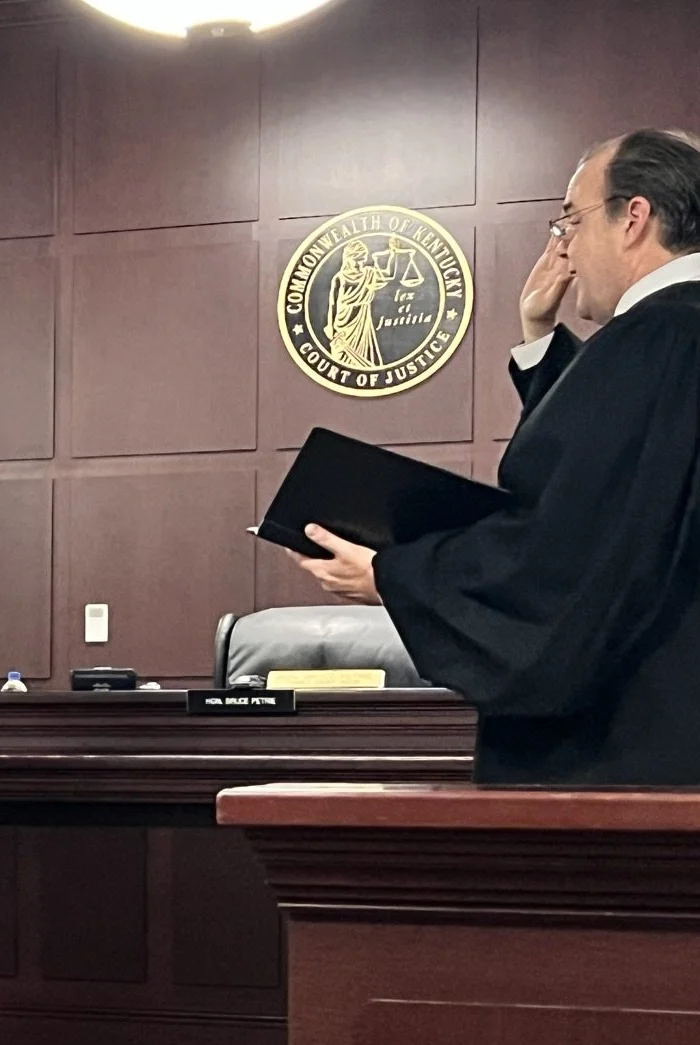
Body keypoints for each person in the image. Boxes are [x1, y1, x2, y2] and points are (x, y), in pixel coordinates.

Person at [296, 128, 700, 785]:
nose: (562, 243)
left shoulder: (654, 339)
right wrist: (540, 338)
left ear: (633, 218)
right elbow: (632, 485)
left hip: (633, 758)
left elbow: (565, 553)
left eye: (570, 219)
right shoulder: (668, 344)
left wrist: (395, 575)